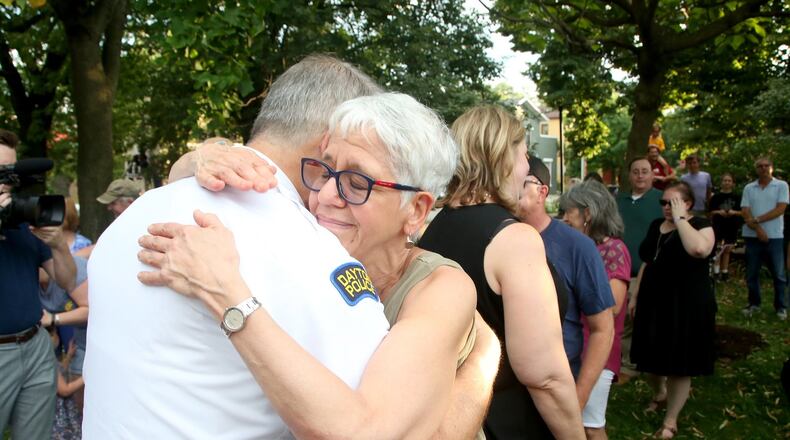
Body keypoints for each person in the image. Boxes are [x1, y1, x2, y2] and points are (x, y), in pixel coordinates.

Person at [88, 56, 496, 439]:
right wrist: (197, 157)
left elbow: (373, 430)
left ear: (417, 209)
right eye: (324, 170)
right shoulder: (299, 252)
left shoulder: (436, 288)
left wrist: (482, 362)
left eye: (358, 183)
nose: (326, 194)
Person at [419, 105, 585, 439]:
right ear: (502, 158)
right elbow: (545, 376)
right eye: (524, 154)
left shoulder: (433, 230)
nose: (527, 166)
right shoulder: (514, 239)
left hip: (444, 413)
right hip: (505, 420)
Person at [517, 158, 615, 413]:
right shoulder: (493, 237)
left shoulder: (577, 247)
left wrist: (578, 398)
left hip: (558, 385)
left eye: (522, 181)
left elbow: (603, 329)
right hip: (503, 390)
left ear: (542, 192)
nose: (512, 186)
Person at [0, 128, 77, 440]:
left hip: (35, 346)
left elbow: (68, 279)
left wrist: (58, 244)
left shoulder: (23, 220)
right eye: (1, 172)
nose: (8, 181)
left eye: (11, 172)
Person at [629, 181, 716, 439]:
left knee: (680, 363)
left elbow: (698, 249)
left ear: (687, 204)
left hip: (686, 304)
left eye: (672, 202)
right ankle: (659, 392)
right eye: (663, 202)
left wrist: (681, 221)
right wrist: (635, 295)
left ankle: (670, 421)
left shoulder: (701, 226)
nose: (666, 207)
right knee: (649, 359)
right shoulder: (656, 226)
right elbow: (648, 261)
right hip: (654, 300)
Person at [559, 180, 631, 440]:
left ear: (587, 213)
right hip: (578, 345)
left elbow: (613, 305)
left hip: (597, 349)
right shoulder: (578, 246)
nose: (564, 218)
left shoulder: (613, 249)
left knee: (590, 424)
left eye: (569, 211)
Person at [740, 157, 788, 320]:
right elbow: (745, 211)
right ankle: (754, 304)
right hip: (752, 236)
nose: (763, 168)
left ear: (772, 168)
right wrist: (758, 229)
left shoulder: (781, 186)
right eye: (760, 166)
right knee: (752, 273)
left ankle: (781, 307)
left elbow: (780, 209)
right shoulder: (749, 188)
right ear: (756, 169)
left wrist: (758, 220)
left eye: (766, 165)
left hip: (775, 236)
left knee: (779, 274)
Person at [709, 173, 742, 280]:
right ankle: (716, 272)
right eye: (725, 180)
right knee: (718, 249)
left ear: (733, 183)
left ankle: (725, 272)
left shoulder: (737, 197)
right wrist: (719, 212)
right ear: (721, 182)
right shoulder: (715, 197)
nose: (727, 182)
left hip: (732, 225)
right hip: (719, 225)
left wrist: (734, 212)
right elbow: (710, 212)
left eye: (729, 181)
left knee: (727, 249)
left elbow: (743, 212)